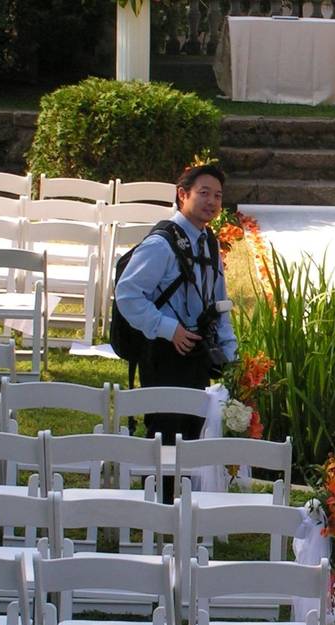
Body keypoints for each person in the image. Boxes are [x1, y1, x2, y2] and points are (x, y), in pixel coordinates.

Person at [115, 164, 237, 447]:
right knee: (164, 436)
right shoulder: (161, 244)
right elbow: (128, 295)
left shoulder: (209, 242)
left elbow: (219, 301)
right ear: (183, 195)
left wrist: (229, 350)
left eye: (218, 196)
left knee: (193, 434)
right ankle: (159, 491)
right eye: (204, 193)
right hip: (163, 351)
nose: (212, 202)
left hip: (197, 351)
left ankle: (185, 492)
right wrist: (169, 329)